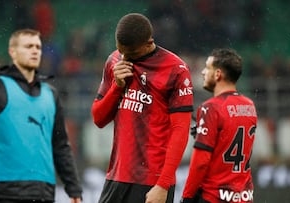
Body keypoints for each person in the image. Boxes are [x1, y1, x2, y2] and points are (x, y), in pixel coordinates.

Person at [0, 28, 82, 203]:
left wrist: (73, 188)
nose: (35, 50)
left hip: (44, 191)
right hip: (6, 192)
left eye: (38, 47)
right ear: (12, 52)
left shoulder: (51, 95)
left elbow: (61, 146)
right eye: (28, 46)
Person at [91, 13, 194, 203]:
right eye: (121, 51)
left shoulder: (176, 70)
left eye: (131, 53)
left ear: (149, 43)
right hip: (116, 176)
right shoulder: (114, 61)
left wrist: (163, 185)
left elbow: (180, 131)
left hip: (151, 182)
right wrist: (117, 87)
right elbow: (98, 118)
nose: (125, 58)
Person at [180, 48, 257, 203]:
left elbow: (200, 162)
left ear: (218, 74)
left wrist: (187, 196)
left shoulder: (211, 108)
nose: (203, 72)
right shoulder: (250, 106)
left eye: (207, 68)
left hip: (214, 196)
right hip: (243, 196)